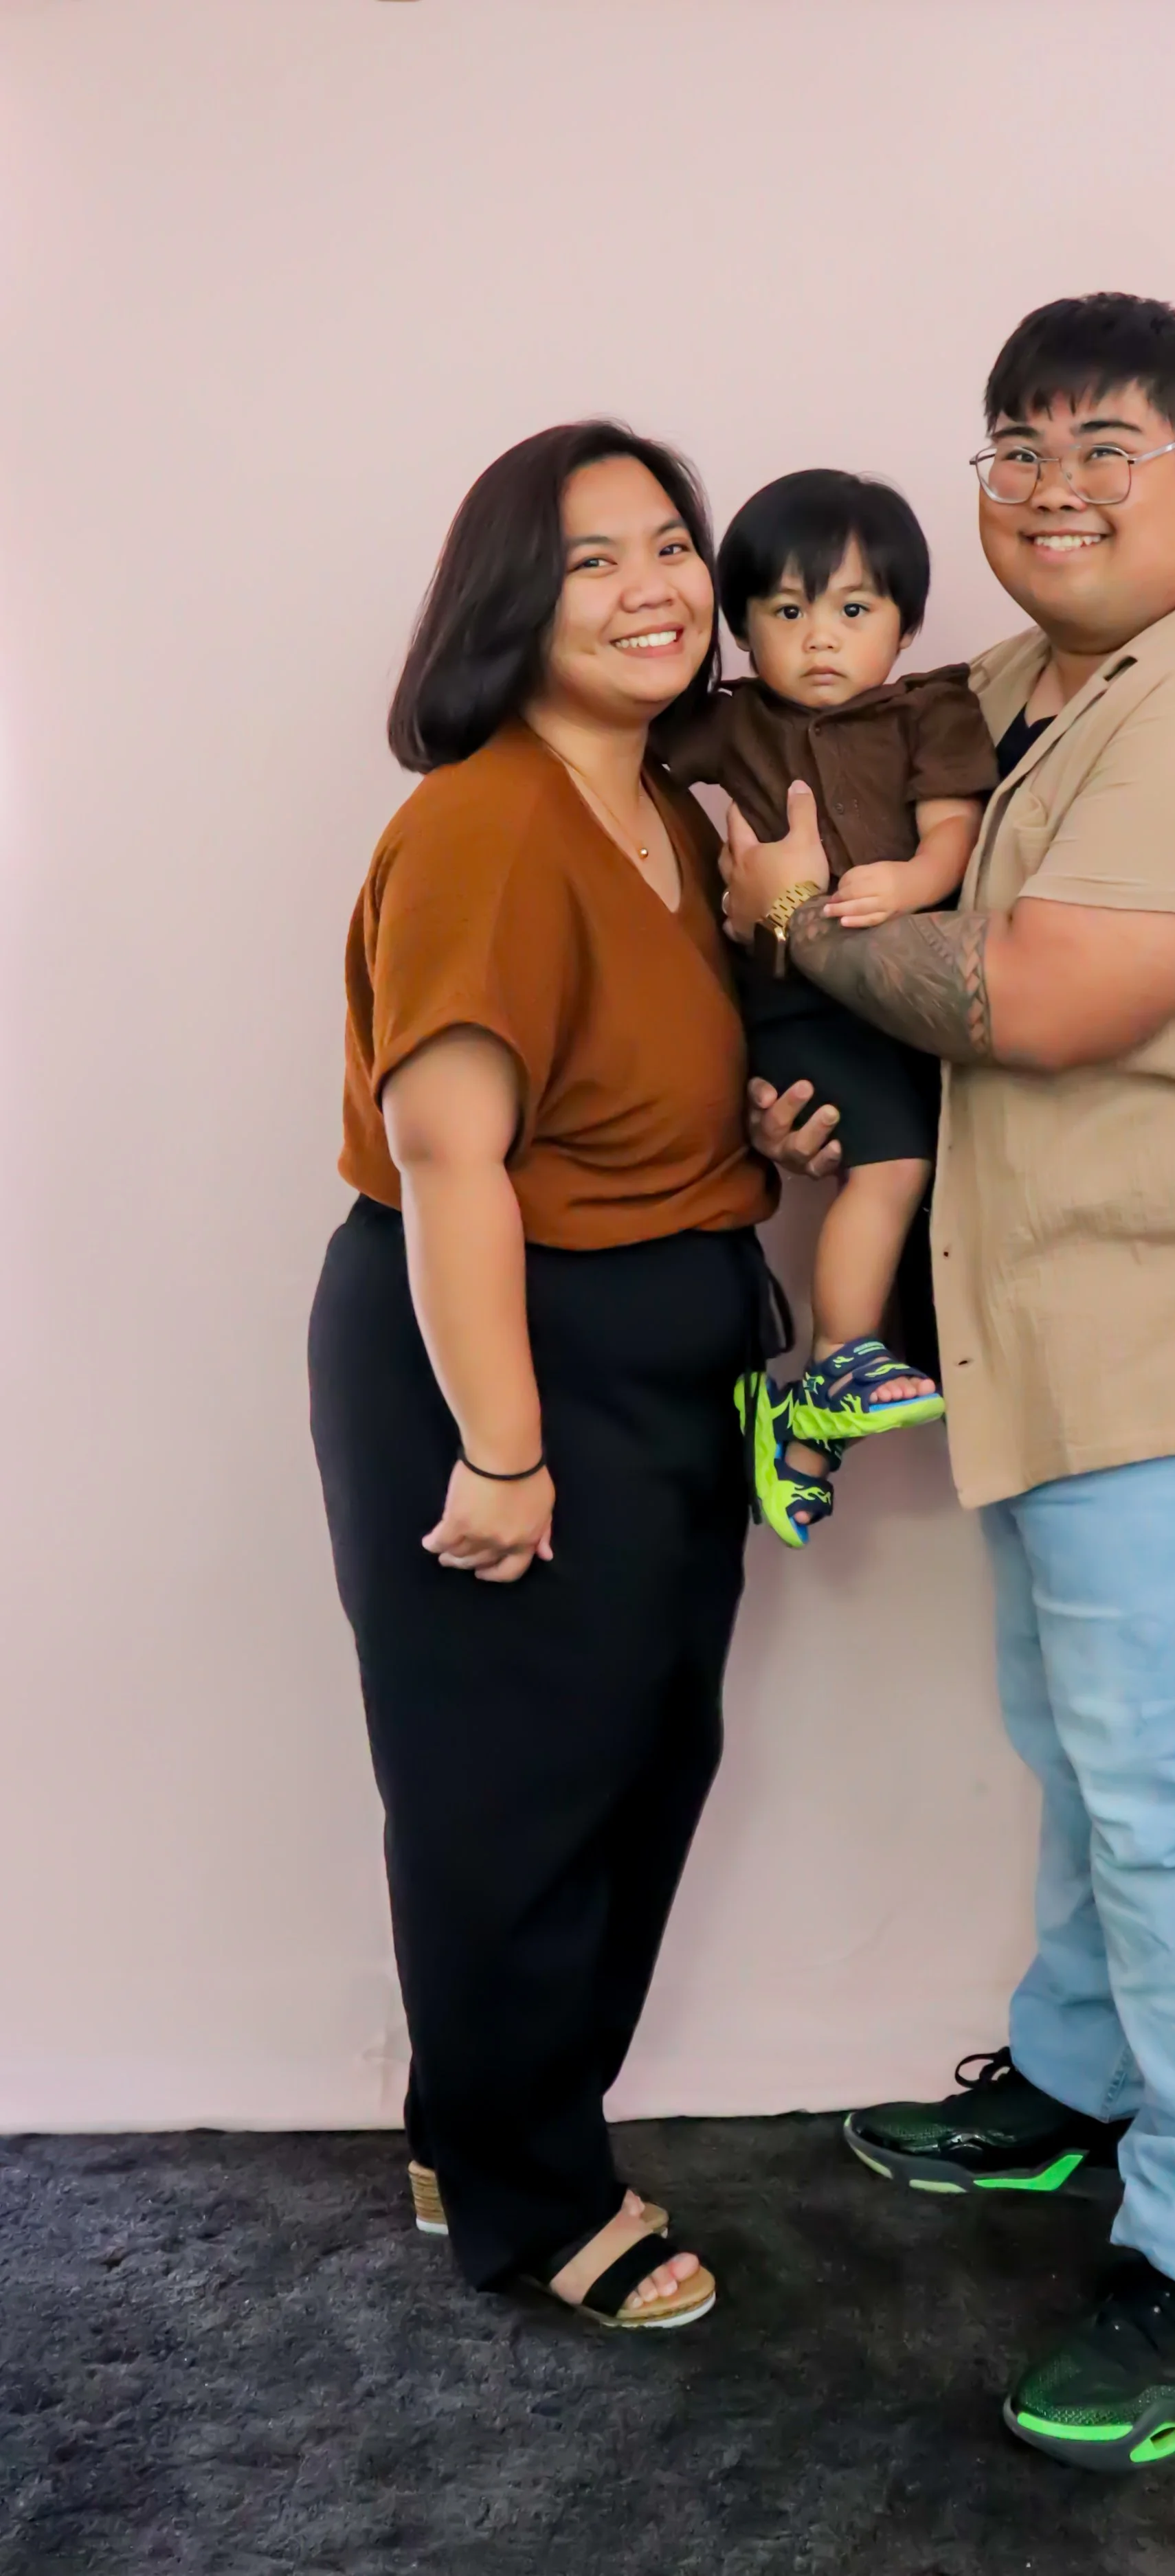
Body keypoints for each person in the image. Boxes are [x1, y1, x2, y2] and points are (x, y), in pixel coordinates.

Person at [726, 293, 1175, 2470]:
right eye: (1014, 444)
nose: (1049, 484)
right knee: (1083, 1744)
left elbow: (1031, 995)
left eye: (1104, 445)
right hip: (1057, 1333)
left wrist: (792, 925)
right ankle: (1074, 2081)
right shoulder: (1031, 682)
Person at [309, 420, 782, 2331]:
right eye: (594, 561)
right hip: (500, 1346)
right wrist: (502, 1446)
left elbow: (631, 1082)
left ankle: (486, 2125)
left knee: (638, 1761)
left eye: (670, 544)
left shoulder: (670, 814)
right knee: (512, 1792)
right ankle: (534, 2192)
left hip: (664, 1343)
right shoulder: (486, 822)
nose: (654, 587)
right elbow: (450, 1158)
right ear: (511, 601)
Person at [662, 470, 996, 1545]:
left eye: (854, 609)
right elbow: (630, 742)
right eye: (786, 611)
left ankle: (803, 1440)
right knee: (891, 1169)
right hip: (796, 1001)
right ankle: (841, 1360)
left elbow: (954, 830)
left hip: (901, 999)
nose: (820, 638)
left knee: (914, 1171)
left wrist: (912, 880)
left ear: (904, 623)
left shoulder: (932, 709)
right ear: (741, 627)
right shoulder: (735, 725)